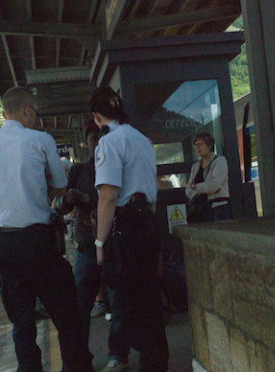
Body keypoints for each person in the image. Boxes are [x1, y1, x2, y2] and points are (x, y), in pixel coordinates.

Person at [0, 86, 91, 372]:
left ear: (4, 113)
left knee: (21, 324)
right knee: (65, 314)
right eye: (35, 112)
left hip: (4, 246)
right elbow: (60, 187)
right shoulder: (40, 140)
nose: (36, 118)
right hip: (38, 243)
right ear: (27, 109)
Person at [92, 87, 169, 372]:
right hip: (148, 222)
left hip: (127, 228)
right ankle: (156, 362)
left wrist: (100, 244)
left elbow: (108, 196)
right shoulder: (143, 140)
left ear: (97, 117)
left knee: (127, 298)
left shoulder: (109, 143)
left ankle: (132, 358)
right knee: (149, 299)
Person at [53, 122, 121, 366]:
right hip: (86, 249)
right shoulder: (79, 171)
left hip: (114, 247)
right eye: (93, 139)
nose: (97, 143)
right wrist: (67, 199)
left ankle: (117, 355)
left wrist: (84, 197)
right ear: (87, 143)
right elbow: (61, 205)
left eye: (100, 139)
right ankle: (81, 359)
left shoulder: (117, 167)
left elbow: (111, 198)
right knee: (79, 308)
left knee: (119, 306)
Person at [185, 132, 232, 222]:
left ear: (210, 145)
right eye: (195, 145)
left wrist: (196, 186)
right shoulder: (195, 166)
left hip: (218, 207)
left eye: (201, 144)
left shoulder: (220, 161)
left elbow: (214, 185)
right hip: (199, 209)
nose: (197, 147)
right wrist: (204, 186)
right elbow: (188, 190)